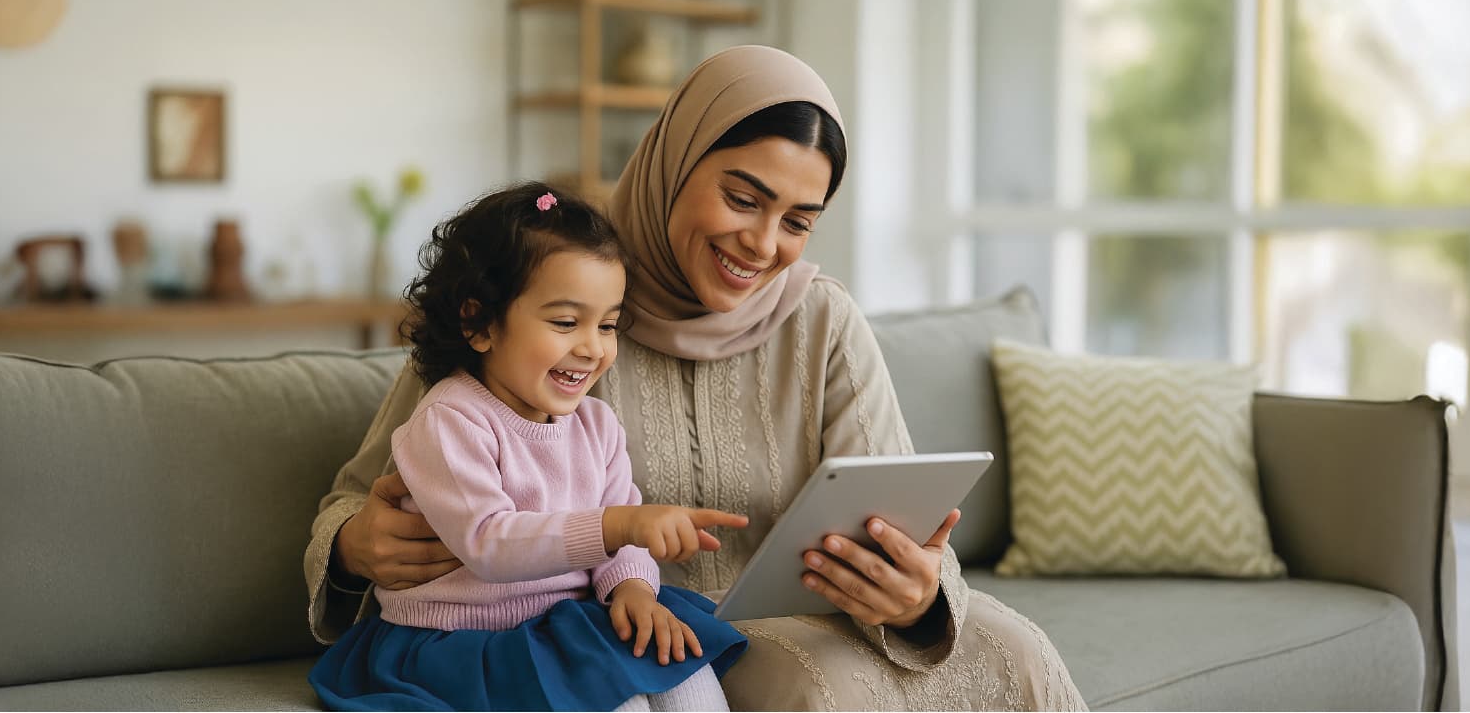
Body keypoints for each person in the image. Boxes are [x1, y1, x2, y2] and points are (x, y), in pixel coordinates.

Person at [307, 46, 1087, 710]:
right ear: (676, 160)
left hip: (815, 619)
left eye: (797, 221)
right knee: (823, 690)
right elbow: (361, 494)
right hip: (641, 633)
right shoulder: (538, 297)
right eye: (742, 198)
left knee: (1018, 650)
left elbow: (904, 511)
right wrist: (353, 546)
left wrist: (919, 595)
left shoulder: (822, 322)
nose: (762, 243)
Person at [308, 182, 751, 711]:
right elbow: (489, 544)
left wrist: (631, 587)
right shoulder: (450, 421)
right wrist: (615, 527)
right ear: (479, 323)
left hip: (557, 625)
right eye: (566, 322)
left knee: (685, 677)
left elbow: (625, 524)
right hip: (462, 644)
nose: (591, 347)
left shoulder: (597, 424)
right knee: (622, 703)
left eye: (607, 325)